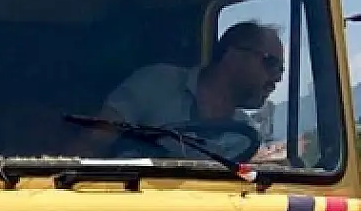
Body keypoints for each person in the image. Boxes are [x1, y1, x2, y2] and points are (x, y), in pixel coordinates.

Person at [98, 20, 283, 136]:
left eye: (281, 70)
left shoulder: (244, 135)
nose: (277, 78)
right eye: (270, 63)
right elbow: (91, 145)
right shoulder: (157, 83)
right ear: (232, 56)